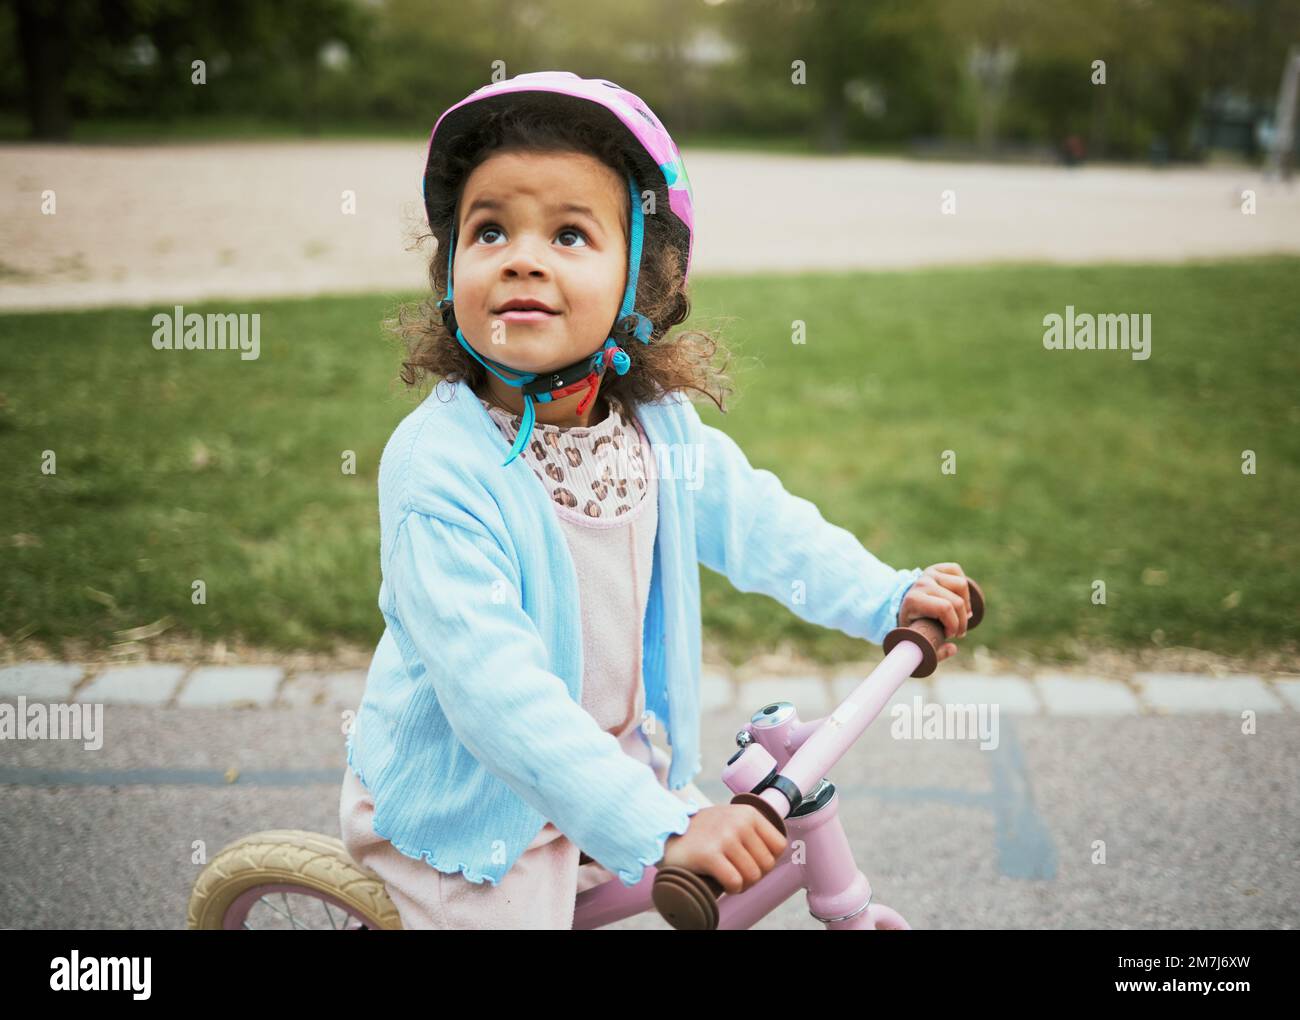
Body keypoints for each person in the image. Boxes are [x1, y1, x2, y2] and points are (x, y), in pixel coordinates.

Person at [338, 71, 974, 929]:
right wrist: (663, 827)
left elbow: (761, 525)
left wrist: (884, 596)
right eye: (489, 230)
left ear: (640, 280)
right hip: (483, 809)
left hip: (618, 768)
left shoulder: (654, 430)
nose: (523, 255)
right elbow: (496, 697)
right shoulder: (439, 472)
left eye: (569, 234)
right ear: (452, 269)